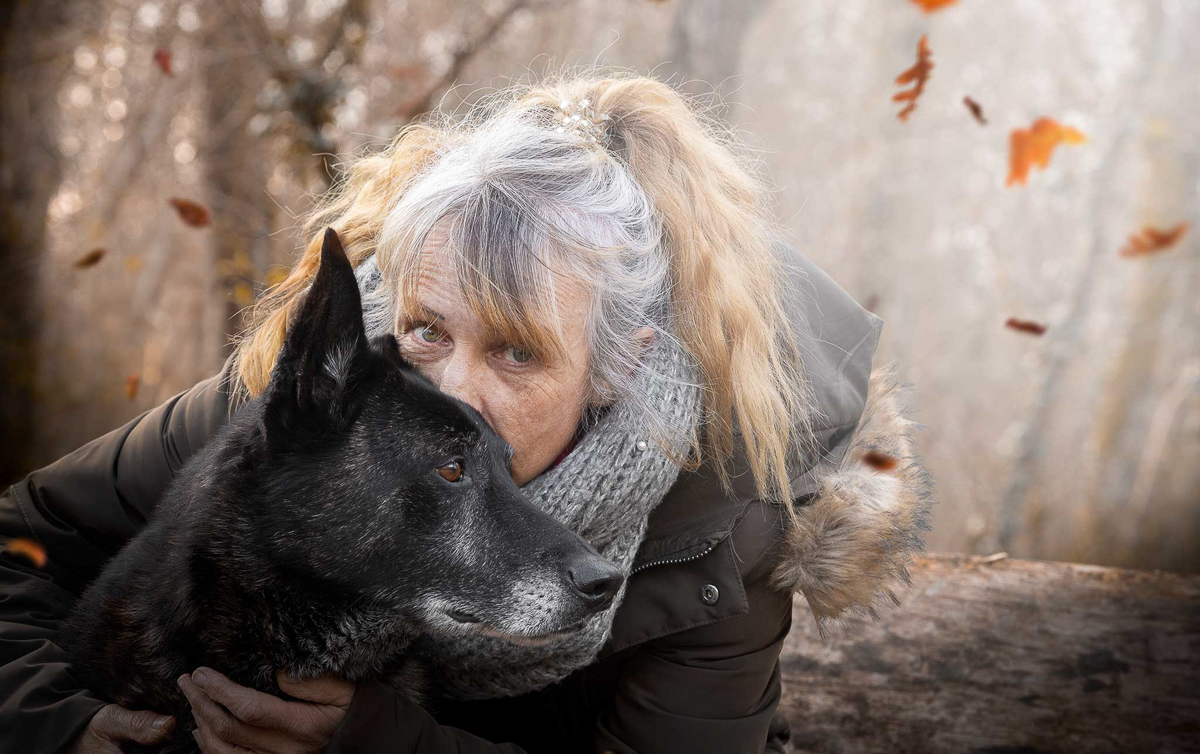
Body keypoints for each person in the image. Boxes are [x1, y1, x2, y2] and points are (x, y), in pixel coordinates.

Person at [0, 68, 933, 754]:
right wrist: (62, 726)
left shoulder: (725, 521)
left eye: (517, 352)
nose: (451, 393)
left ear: (615, 367)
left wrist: (377, 742)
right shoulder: (323, 404)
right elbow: (19, 541)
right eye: (429, 330)